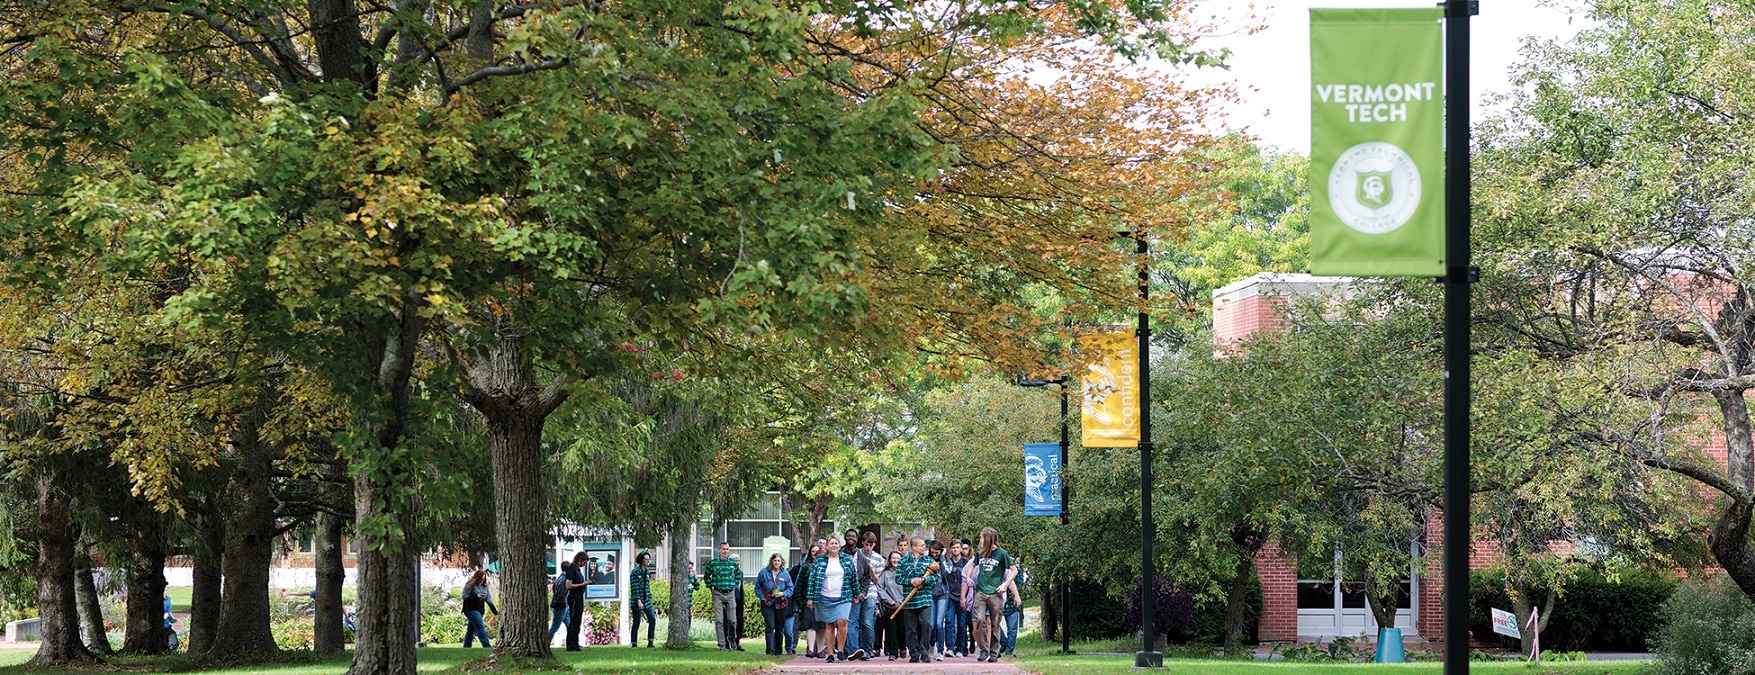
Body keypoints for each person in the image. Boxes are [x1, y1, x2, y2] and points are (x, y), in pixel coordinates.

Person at [808, 536, 863, 663]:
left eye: (836, 543)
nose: (834, 546)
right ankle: (831, 653)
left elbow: (853, 578)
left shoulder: (846, 559)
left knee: (843, 622)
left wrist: (856, 595)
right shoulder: (820, 560)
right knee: (829, 625)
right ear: (827, 546)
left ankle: (841, 650)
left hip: (844, 596)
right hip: (825, 597)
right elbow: (812, 579)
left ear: (839, 545)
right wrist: (810, 598)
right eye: (831, 543)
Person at [969, 526, 1018, 662]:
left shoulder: (1002, 554)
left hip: (996, 593)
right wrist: (968, 577)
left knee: (995, 623)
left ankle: (994, 652)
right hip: (980, 592)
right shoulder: (980, 553)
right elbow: (973, 565)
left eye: (981, 537)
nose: (980, 539)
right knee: (979, 619)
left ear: (988, 538)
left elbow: (1014, 571)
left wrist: (1005, 584)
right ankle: (984, 650)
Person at [897, 537, 938, 664]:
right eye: (921, 545)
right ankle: (914, 653)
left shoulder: (929, 560)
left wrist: (923, 580)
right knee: (911, 628)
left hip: (925, 597)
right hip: (909, 599)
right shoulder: (903, 561)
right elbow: (898, 578)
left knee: (926, 624)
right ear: (913, 547)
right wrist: (911, 581)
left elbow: (935, 578)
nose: (924, 547)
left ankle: (924, 652)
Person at [704, 541, 742, 650]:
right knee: (719, 620)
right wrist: (710, 586)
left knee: (733, 620)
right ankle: (721, 643)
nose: (725, 551)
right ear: (719, 550)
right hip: (718, 593)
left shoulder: (733, 563)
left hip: (730, 593)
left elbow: (737, 576)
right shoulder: (713, 563)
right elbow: (707, 575)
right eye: (723, 549)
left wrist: (733, 586)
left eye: (727, 549)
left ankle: (732, 638)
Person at [851, 531, 882, 659]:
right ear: (862, 543)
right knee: (854, 621)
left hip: (871, 592)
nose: (868, 547)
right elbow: (853, 575)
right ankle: (855, 649)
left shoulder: (879, 559)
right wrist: (858, 593)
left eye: (871, 545)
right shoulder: (857, 556)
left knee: (867, 622)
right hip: (858, 592)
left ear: (874, 544)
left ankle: (868, 650)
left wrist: (870, 568)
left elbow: (878, 581)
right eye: (866, 544)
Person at [756, 553, 794, 656]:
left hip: (781, 604)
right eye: (775, 560)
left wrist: (783, 593)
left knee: (779, 627)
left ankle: (778, 651)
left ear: (781, 562)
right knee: (770, 626)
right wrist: (762, 597)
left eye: (778, 561)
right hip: (767, 603)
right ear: (771, 561)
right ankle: (770, 651)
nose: (776, 563)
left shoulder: (785, 574)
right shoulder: (764, 572)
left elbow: (791, 588)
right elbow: (758, 586)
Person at [789, 544, 819, 656]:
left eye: (817, 551)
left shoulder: (826, 566)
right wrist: (802, 602)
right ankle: (811, 649)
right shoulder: (806, 567)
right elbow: (798, 586)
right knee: (810, 625)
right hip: (808, 601)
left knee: (822, 626)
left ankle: (820, 649)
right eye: (813, 551)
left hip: (823, 600)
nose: (815, 554)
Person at [939, 539, 968, 658]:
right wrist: (942, 556)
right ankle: (950, 647)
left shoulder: (966, 563)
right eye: (953, 548)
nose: (955, 550)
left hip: (963, 597)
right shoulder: (948, 562)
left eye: (957, 547)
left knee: (962, 624)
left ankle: (959, 648)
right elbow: (945, 572)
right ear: (951, 549)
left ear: (961, 549)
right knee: (949, 622)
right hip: (949, 596)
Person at [874, 550, 904, 660]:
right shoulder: (885, 573)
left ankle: (903, 647)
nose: (896, 560)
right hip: (891, 606)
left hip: (904, 605)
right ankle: (893, 652)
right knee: (892, 629)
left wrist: (902, 602)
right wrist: (889, 600)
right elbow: (880, 587)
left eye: (898, 558)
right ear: (890, 560)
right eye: (893, 558)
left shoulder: (905, 572)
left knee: (902, 628)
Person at [461, 569, 499, 649]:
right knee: (480, 627)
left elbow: (489, 600)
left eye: (484, 579)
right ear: (477, 578)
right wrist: (476, 596)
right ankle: (487, 646)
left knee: (471, 630)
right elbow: (464, 596)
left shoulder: (485, 587)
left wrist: (495, 611)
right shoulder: (469, 585)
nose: (482, 581)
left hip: (480, 610)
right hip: (470, 609)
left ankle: (466, 647)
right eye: (481, 579)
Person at [927, 539, 949, 660]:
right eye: (933, 552)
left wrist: (942, 557)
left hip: (942, 594)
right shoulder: (927, 560)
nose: (935, 554)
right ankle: (931, 646)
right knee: (931, 624)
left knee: (939, 624)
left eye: (937, 552)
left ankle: (941, 650)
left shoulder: (944, 560)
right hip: (930, 594)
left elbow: (945, 573)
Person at [629, 552, 655, 648]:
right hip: (637, 601)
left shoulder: (647, 572)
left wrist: (648, 597)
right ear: (641, 560)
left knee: (652, 619)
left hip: (647, 600)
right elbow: (634, 587)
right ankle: (634, 642)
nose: (648, 561)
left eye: (649, 559)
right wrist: (638, 600)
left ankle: (651, 641)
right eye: (646, 559)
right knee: (636, 622)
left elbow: (647, 586)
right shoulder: (635, 572)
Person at [564, 551, 589, 651]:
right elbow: (568, 585)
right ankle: (570, 644)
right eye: (584, 562)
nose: (584, 565)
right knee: (574, 620)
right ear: (580, 560)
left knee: (578, 620)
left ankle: (575, 643)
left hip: (579, 596)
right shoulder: (571, 569)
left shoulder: (578, 570)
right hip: (574, 596)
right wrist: (582, 584)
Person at [1000, 568, 1026, 656]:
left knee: (1012, 629)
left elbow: (1020, 585)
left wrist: (1016, 595)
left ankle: (1009, 651)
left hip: (1012, 603)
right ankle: (1004, 642)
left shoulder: (1017, 571)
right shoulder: (998, 568)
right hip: (999, 601)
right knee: (993, 624)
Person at [548, 561, 572, 644]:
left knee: (570, 626)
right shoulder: (564, 580)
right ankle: (546, 643)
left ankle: (573, 643)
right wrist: (564, 603)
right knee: (554, 627)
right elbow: (561, 594)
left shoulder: (559, 578)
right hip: (561, 606)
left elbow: (555, 590)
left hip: (563, 606)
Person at [731, 553, 747, 647]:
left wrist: (743, 602)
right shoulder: (728, 572)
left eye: (738, 560)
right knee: (731, 621)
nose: (737, 562)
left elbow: (741, 589)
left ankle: (737, 641)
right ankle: (729, 641)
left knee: (740, 621)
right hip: (729, 600)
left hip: (739, 601)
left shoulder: (740, 573)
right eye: (735, 560)